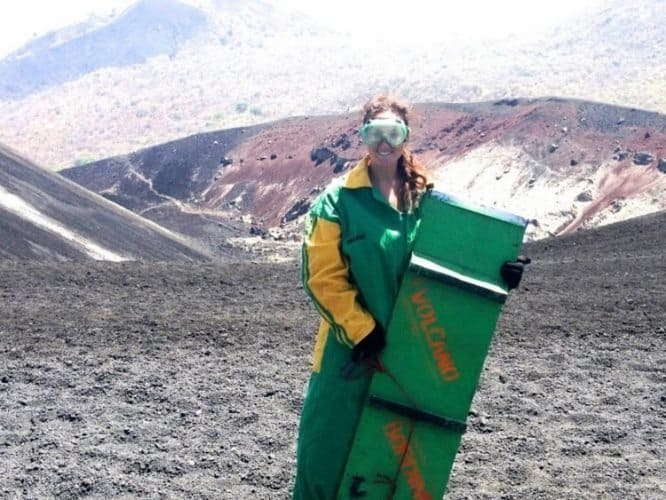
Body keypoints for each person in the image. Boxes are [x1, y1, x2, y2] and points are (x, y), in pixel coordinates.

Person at [293, 94, 527, 499]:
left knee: (396, 464)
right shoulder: (337, 201)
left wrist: (499, 271)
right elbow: (321, 276)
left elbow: (457, 262)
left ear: (407, 136)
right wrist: (361, 331)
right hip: (348, 357)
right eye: (374, 133)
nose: (384, 143)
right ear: (363, 136)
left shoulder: (430, 204)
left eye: (394, 133)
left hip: (414, 354)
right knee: (325, 459)